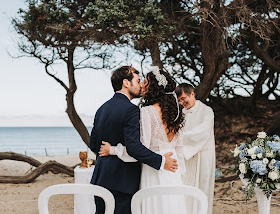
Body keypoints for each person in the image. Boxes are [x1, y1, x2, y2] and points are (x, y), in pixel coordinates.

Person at [90, 66, 179, 214]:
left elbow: (94, 144)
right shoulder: (131, 110)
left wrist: (110, 151)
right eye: (138, 81)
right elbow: (135, 147)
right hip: (123, 181)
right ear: (126, 83)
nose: (141, 86)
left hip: (101, 178)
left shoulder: (102, 108)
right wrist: (161, 161)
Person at [175, 83, 215, 214]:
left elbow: (202, 132)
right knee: (185, 187)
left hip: (202, 155)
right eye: (179, 100)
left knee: (201, 187)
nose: (182, 102)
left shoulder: (207, 110)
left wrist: (179, 139)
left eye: (184, 98)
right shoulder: (180, 113)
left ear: (192, 94)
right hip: (185, 155)